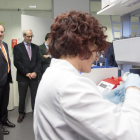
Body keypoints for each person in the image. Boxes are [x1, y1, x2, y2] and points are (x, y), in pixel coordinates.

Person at [34, 11, 140, 140]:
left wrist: (101, 100)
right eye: (95, 50)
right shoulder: (69, 85)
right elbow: (131, 133)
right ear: (81, 46)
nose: (96, 57)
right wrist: (133, 89)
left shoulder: (54, 73)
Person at [13, 29, 41, 123]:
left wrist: (35, 72)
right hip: (22, 77)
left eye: (31, 36)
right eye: (28, 36)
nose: (30, 38)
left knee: (35, 96)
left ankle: (35, 113)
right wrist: (26, 73)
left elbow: (39, 61)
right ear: (24, 36)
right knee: (22, 97)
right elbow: (16, 62)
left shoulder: (36, 48)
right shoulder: (17, 47)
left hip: (34, 76)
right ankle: (21, 113)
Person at [0, 24, 15, 135]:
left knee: (4, 103)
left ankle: (4, 120)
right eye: (0, 31)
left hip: (5, 80)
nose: (1, 34)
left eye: (2, 32)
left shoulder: (4, 45)